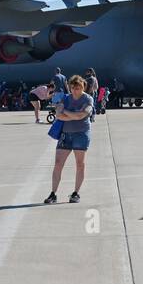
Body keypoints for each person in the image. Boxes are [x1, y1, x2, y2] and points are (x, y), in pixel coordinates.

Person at [43, 74, 94, 205]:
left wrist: (67, 112)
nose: (75, 91)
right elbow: (59, 115)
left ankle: (76, 193)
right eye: (73, 88)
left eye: (78, 88)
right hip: (66, 134)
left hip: (81, 134)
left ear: (83, 87)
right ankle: (53, 193)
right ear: (70, 88)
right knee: (58, 163)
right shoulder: (66, 98)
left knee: (80, 164)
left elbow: (83, 114)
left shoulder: (88, 99)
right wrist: (74, 116)